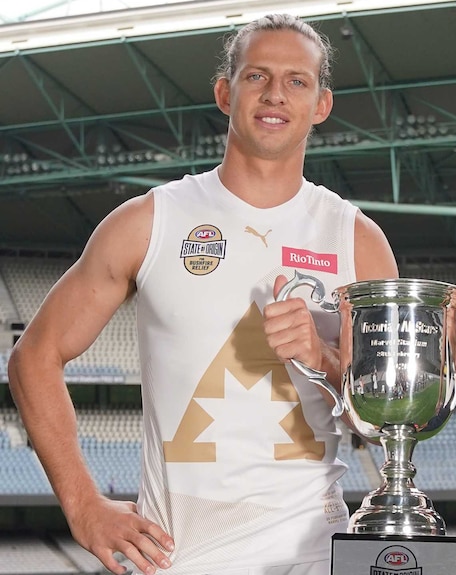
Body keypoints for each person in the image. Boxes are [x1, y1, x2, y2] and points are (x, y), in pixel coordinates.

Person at [7, 13, 397, 575]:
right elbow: (34, 356)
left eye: (297, 81)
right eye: (256, 76)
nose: (275, 94)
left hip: (313, 554)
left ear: (322, 104)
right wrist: (82, 504)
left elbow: (385, 419)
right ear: (224, 91)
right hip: (177, 559)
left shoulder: (356, 239)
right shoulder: (150, 221)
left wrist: (322, 357)